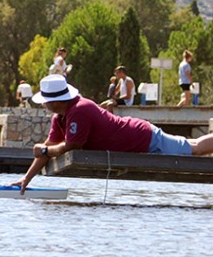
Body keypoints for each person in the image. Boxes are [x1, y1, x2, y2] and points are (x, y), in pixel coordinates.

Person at [11, 74, 213, 194]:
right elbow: (44, 151)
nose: (44, 104)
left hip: (143, 138)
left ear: (56, 100)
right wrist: (26, 180)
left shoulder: (79, 110)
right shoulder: (60, 117)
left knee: (192, 149)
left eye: (45, 100)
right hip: (137, 138)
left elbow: (73, 145)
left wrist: (46, 149)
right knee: (191, 144)